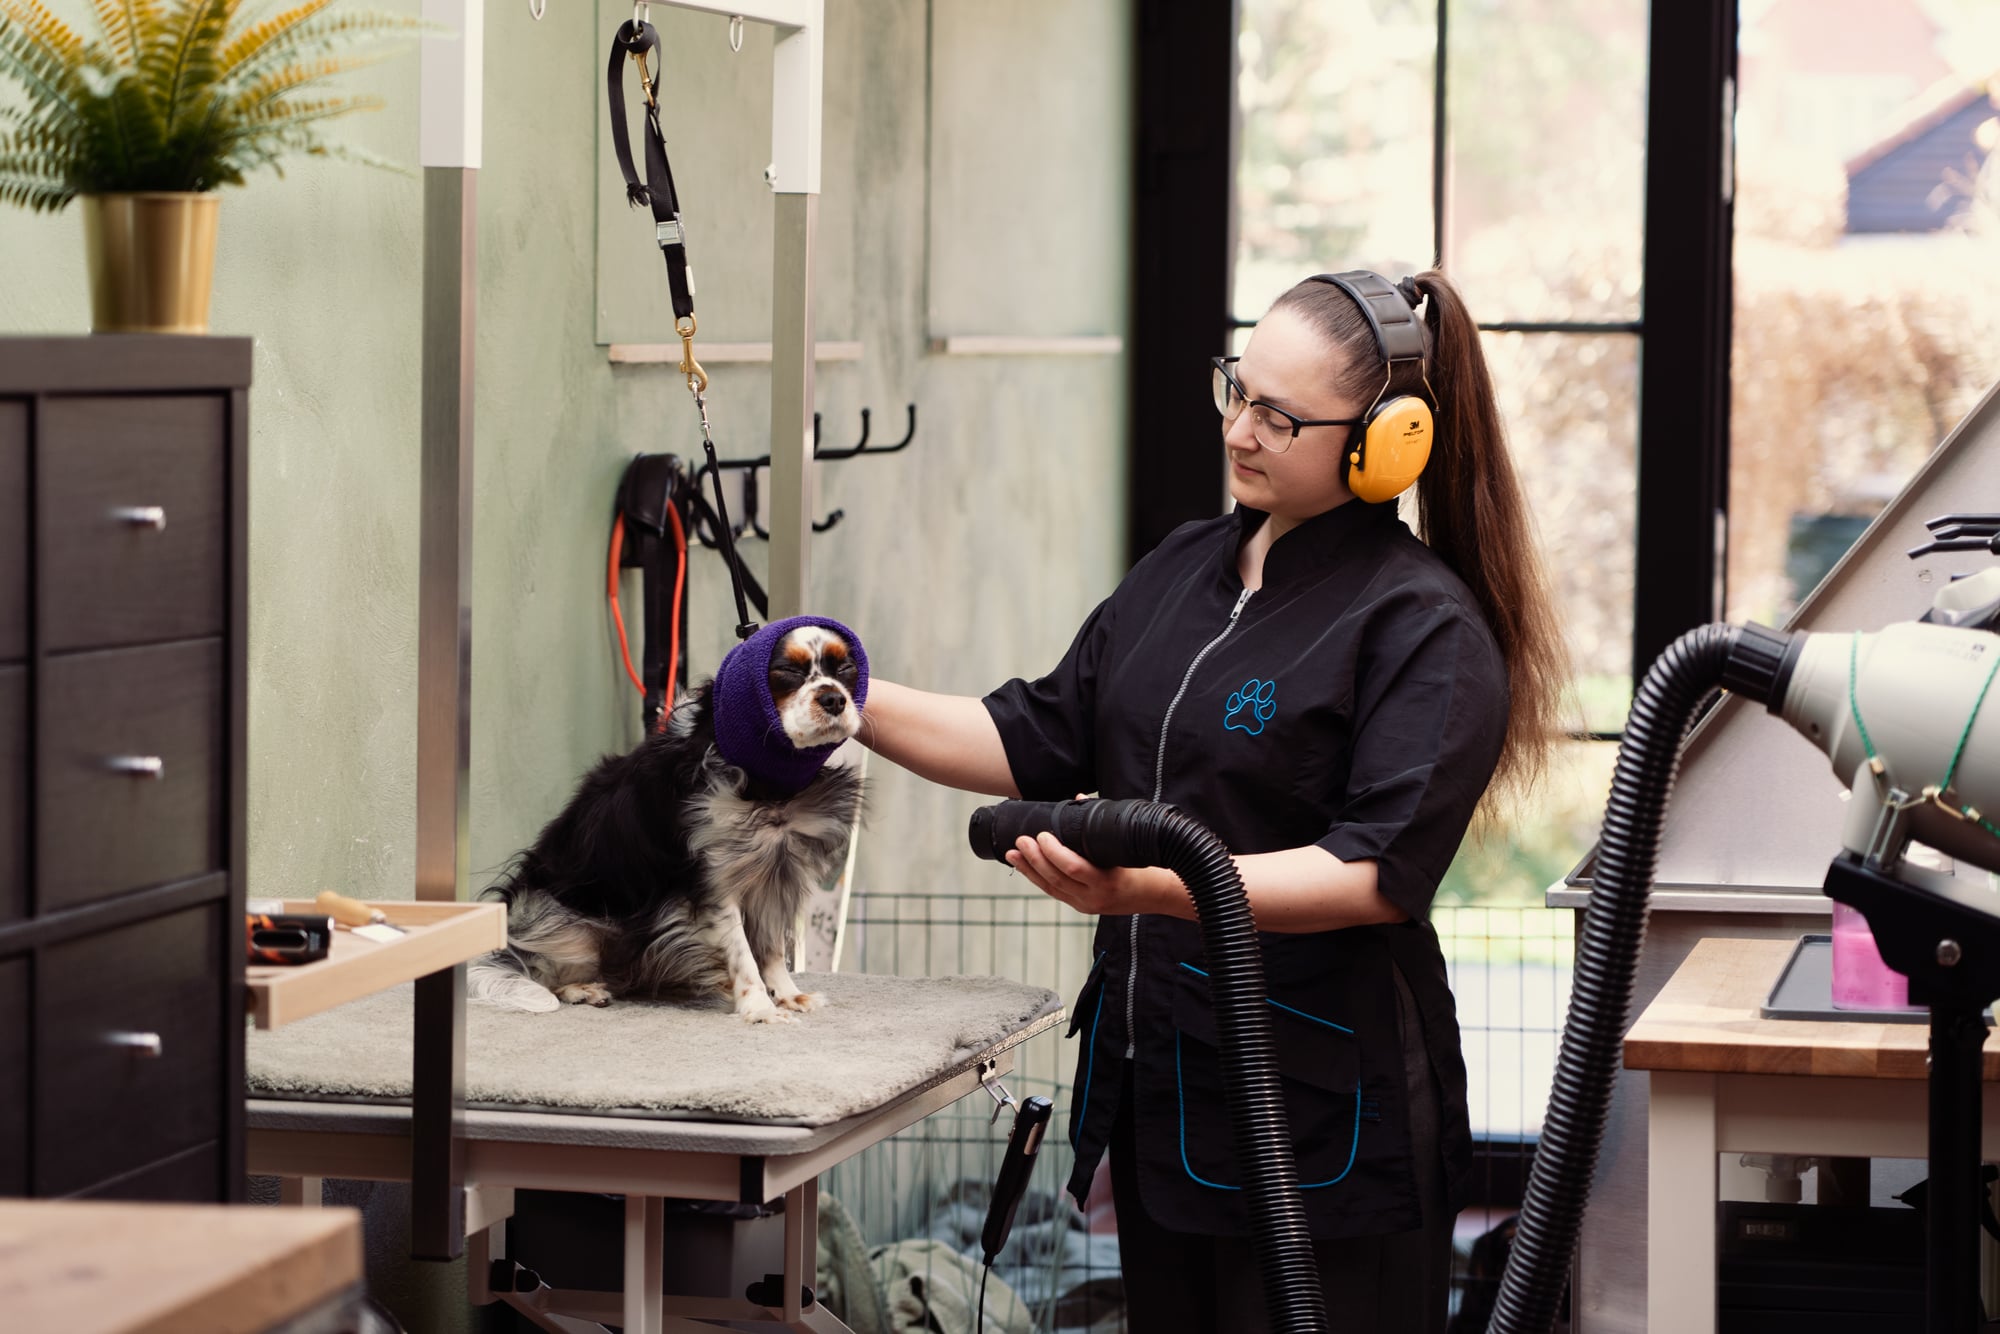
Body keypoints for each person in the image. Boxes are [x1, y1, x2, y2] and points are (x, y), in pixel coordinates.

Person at [857, 268, 1568, 1333]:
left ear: (1388, 440)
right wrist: (836, 695)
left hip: (1325, 1126)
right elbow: (1035, 730)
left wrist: (1154, 884)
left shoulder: (1423, 626)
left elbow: (1371, 872)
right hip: (1166, 1097)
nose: (1240, 428)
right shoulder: (1187, 565)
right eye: (1237, 389)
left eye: (1279, 416)